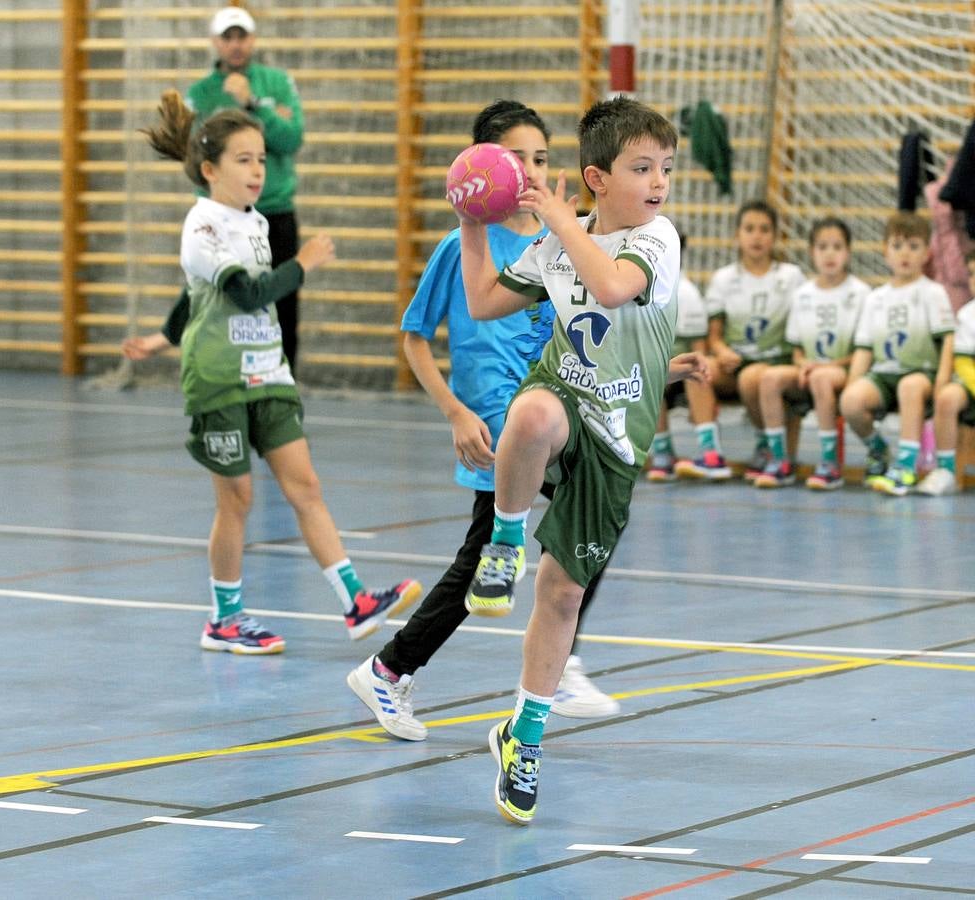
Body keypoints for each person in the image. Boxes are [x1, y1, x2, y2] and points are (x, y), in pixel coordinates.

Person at [461, 96, 709, 825]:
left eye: (665, 167)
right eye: (641, 168)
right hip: (564, 398)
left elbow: (609, 288)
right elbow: (479, 302)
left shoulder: (657, 240)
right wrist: (472, 224)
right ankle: (503, 540)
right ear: (597, 177)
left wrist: (558, 222)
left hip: (617, 442)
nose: (659, 180)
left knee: (564, 593)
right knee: (532, 410)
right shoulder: (560, 242)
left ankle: (522, 735)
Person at [346, 101, 619, 744]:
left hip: (547, 411)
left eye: (542, 159)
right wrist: (455, 411)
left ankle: (389, 668)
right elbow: (415, 337)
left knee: (496, 556)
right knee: (583, 514)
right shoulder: (461, 246)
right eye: (516, 158)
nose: (530, 170)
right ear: (484, 168)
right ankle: (559, 661)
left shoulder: (559, 241)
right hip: (497, 423)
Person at [133, 90, 420, 653]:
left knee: (305, 486)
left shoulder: (255, 222)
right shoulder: (203, 227)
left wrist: (158, 337)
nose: (258, 169)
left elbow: (192, 298)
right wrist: (303, 265)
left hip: (268, 372)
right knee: (236, 501)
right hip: (219, 380)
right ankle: (225, 618)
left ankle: (355, 600)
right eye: (244, 159)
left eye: (262, 159)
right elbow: (244, 294)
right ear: (209, 169)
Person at [185, 6, 305, 376]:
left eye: (242, 36)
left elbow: (290, 139)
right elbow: (192, 157)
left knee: (282, 305)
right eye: (227, 37)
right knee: (219, 301)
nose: (235, 45)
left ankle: (282, 386)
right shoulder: (200, 94)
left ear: (252, 40)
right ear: (215, 42)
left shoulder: (276, 83)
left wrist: (253, 104)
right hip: (222, 218)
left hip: (274, 213)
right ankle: (221, 379)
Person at [840, 211, 956, 496]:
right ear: (885, 251)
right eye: (897, 245)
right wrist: (852, 382)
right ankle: (877, 449)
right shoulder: (875, 298)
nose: (905, 253)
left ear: (927, 253)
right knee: (852, 401)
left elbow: (948, 339)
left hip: (921, 375)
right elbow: (864, 348)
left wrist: (942, 379)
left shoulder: (933, 292)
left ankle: (906, 468)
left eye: (914, 246)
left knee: (909, 385)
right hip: (883, 375)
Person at [752, 217, 869, 489]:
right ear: (812, 252)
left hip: (843, 371)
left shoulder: (861, 293)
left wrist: (823, 367)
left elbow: (863, 352)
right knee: (770, 378)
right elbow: (797, 349)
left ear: (848, 252)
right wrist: (804, 363)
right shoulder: (803, 294)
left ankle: (830, 464)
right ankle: (780, 459)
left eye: (837, 247)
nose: (830, 253)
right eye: (822, 246)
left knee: (822, 379)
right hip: (810, 369)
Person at [703, 200, 806, 480]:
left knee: (752, 378)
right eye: (749, 229)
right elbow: (714, 336)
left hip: (776, 362)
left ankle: (768, 444)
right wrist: (722, 351)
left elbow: (804, 328)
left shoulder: (791, 276)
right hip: (734, 363)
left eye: (764, 229)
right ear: (738, 234)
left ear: (775, 236)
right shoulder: (724, 279)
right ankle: (707, 453)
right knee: (699, 370)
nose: (757, 236)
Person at [647, 234, 731, 481]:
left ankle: (711, 453)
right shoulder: (638, 287)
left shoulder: (686, 294)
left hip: (682, 373)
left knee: (696, 370)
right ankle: (662, 453)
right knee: (648, 372)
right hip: (658, 373)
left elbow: (699, 350)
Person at [917, 247, 975, 495]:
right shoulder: (967, 314)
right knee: (947, 397)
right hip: (972, 384)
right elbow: (962, 361)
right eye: (972, 274)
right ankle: (946, 471)